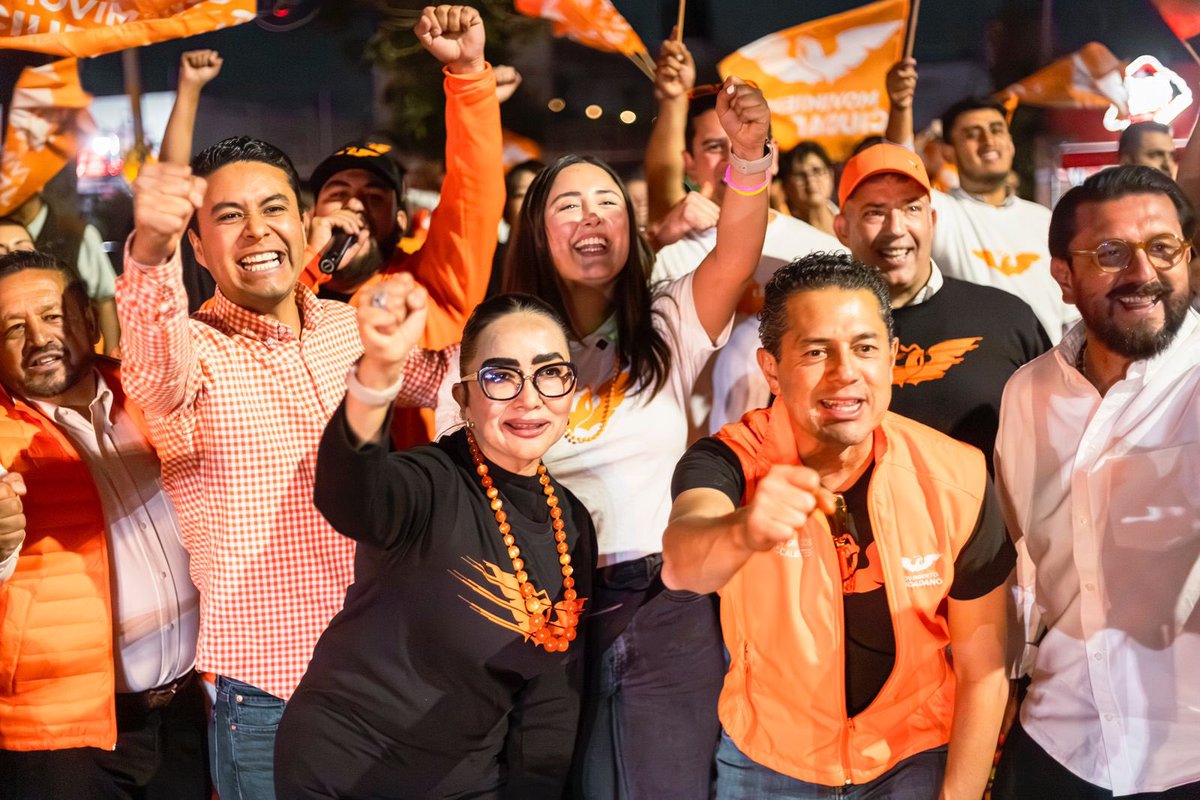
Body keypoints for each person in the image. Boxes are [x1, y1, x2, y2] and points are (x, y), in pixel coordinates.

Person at [116, 124, 453, 798]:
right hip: (273, 696)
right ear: (198, 246)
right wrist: (148, 249)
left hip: (390, 673)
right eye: (228, 216)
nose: (255, 232)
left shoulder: (344, 326)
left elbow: (454, 383)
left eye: (272, 210)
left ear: (306, 228)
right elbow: (151, 350)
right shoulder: (189, 357)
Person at [503, 76, 772, 799]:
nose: (591, 217)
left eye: (608, 204)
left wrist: (748, 159)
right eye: (568, 205)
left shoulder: (665, 320)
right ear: (536, 229)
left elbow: (737, 255)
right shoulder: (502, 343)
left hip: (665, 603)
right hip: (547, 611)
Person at [663, 252, 1014, 799]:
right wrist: (746, 529)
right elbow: (684, 564)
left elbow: (984, 666)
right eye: (816, 351)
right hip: (768, 762)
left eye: (865, 348)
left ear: (892, 358)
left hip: (912, 756)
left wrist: (959, 795)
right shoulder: (731, 460)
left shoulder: (955, 475)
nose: (845, 370)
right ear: (771, 369)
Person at [275, 290, 596, 798]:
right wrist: (379, 374)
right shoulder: (429, 483)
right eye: (500, 375)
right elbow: (350, 496)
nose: (529, 397)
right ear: (463, 397)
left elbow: (550, 698)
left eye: (549, 372)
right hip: (346, 773)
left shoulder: (571, 523)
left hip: (464, 783)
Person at [993, 165, 1200, 799]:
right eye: (1111, 253)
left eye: (1163, 248)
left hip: (1185, 750)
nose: (1143, 273)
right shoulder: (1027, 391)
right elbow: (1020, 560)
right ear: (1063, 276)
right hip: (1061, 738)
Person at [0, 250, 206, 799]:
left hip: (189, 711)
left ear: (91, 321)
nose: (38, 337)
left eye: (53, 315)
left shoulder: (153, 397)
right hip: (61, 739)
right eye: (13, 327)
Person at [834, 143, 1049, 464]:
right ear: (842, 229)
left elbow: (1057, 432)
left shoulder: (1005, 316)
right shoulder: (820, 331)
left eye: (911, 209)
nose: (896, 229)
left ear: (932, 221)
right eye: (874, 212)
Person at [886, 58, 1079, 342]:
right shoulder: (944, 214)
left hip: (1048, 378)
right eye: (972, 135)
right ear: (948, 152)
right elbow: (899, 171)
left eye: (997, 130)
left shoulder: (1044, 220)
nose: (989, 142)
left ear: (1010, 144)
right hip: (975, 377)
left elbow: (1070, 315)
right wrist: (901, 107)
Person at [7, 192, 121, 353]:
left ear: (38, 186)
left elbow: (105, 297)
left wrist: (111, 353)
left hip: (75, 350)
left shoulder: (76, 233)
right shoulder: (5, 232)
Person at [780, 140, 838, 235]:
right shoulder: (783, 234)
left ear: (830, 175)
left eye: (817, 171)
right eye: (800, 175)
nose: (810, 181)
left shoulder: (851, 223)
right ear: (786, 186)